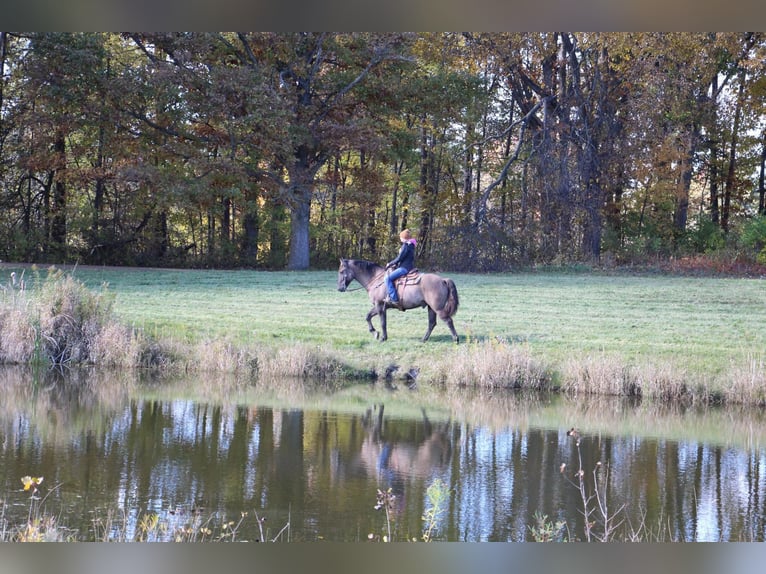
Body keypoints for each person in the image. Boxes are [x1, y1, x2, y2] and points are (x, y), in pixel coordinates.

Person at [384, 229, 416, 306]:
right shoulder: (411, 245)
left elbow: (399, 258)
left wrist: (390, 264)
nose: (400, 238)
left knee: (387, 279)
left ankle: (394, 298)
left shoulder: (406, 246)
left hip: (404, 268)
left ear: (404, 238)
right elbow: (403, 258)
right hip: (408, 266)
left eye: (401, 237)